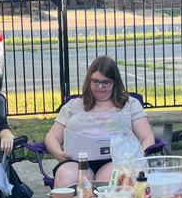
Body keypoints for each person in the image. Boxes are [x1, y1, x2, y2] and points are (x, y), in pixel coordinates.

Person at [45, 56, 156, 188]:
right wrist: (58, 153)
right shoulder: (73, 106)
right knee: (65, 176)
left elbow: (147, 137)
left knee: (114, 177)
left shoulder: (130, 105)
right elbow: (52, 137)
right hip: (77, 161)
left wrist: (136, 159)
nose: (100, 86)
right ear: (89, 81)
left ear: (115, 82)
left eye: (106, 82)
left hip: (117, 160)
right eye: (95, 81)